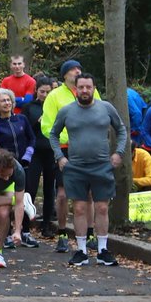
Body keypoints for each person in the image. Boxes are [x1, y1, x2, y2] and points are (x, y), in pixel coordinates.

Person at [49, 74, 126, 268]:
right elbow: (53, 134)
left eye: (88, 87)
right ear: (75, 89)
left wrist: (119, 153)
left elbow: (122, 130)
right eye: (81, 87)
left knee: (101, 207)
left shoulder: (105, 108)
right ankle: (81, 251)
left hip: (102, 165)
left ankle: (102, 250)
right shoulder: (67, 111)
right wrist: (60, 156)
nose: (85, 91)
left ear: (93, 88)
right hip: (75, 167)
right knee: (80, 208)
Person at [41, 59, 99, 253]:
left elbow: (99, 116)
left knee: (89, 193)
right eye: (73, 70)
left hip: (87, 149)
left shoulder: (90, 91)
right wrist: (68, 138)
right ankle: (63, 232)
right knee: (63, 194)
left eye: (79, 69)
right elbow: (47, 126)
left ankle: (90, 233)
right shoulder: (54, 96)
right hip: (64, 149)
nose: (77, 72)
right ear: (65, 75)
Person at [0, 87, 39, 247]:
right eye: (3, 100)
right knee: (7, 200)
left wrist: (28, 154)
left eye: (9, 100)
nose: (7, 103)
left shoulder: (22, 119)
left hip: (26, 164)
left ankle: (26, 232)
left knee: (26, 199)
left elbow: (32, 138)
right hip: (7, 168)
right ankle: (7, 234)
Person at [23, 77, 57, 236]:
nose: (44, 94)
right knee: (31, 188)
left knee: (50, 188)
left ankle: (46, 225)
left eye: (48, 92)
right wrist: (38, 122)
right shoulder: (29, 107)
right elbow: (25, 129)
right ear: (36, 90)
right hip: (35, 151)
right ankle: (24, 225)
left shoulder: (56, 107)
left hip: (51, 150)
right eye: (42, 91)